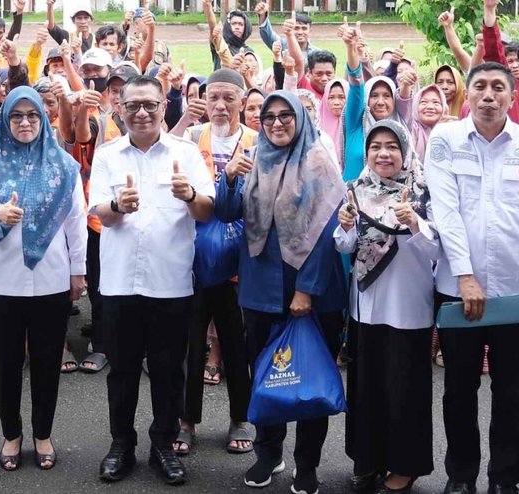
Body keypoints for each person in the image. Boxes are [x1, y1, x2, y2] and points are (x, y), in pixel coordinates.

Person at [425, 62, 519, 494]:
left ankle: (504, 480)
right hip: (457, 288)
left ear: (512, 94)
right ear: (467, 94)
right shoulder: (445, 139)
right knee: (458, 389)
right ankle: (460, 477)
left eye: (498, 87)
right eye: (481, 86)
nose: (489, 95)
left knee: (510, 392)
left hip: (517, 291)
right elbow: (445, 211)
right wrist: (465, 275)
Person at [85, 75, 214, 486]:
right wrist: (118, 206)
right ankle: (121, 444)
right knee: (122, 370)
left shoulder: (186, 153)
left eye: (150, 105)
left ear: (164, 107)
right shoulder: (108, 155)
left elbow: (206, 211)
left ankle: (164, 445)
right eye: (133, 105)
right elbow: (100, 214)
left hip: (170, 281)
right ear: (119, 109)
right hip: (120, 283)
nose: (141, 113)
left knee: (168, 371)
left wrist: (190, 195)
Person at [213, 88, 342, 493]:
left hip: (311, 292)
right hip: (260, 287)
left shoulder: (318, 162)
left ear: (301, 119)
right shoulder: (255, 159)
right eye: (269, 117)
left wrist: (306, 289)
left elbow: (326, 232)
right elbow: (226, 213)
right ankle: (268, 453)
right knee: (266, 373)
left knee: (308, 375)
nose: (276, 123)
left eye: (286, 115)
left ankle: (307, 464)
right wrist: (229, 177)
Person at [0, 86, 86, 472]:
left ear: (43, 118)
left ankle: (43, 434)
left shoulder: (63, 164)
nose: (25, 122)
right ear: (5, 120)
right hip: (1, 279)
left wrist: (78, 271)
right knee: (6, 362)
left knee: (48, 361)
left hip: (51, 277)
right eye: (16, 116)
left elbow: (76, 221)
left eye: (32, 115)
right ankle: (12, 434)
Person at [334, 118, 436, 494]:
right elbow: (345, 246)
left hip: (408, 306)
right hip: (365, 307)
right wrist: (346, 226)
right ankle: (367, 459)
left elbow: (438, 251)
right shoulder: (356, 189)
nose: (383, 154)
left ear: (405, 151)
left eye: (392, 146)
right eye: (375, 146)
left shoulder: (423, 191)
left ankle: (404, 466)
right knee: (367, 387)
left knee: (404, 389)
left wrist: (415, 224)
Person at [173, 69, 256, 457]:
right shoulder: (191, 138)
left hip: (241, 260)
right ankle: (186, 420)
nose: (220, 106)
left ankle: (241, 417)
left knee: (237, 343)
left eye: (229, 98)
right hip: (193, 256)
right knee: (189, 343)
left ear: (243, 101)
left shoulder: (256, 142)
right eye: (213, 98)